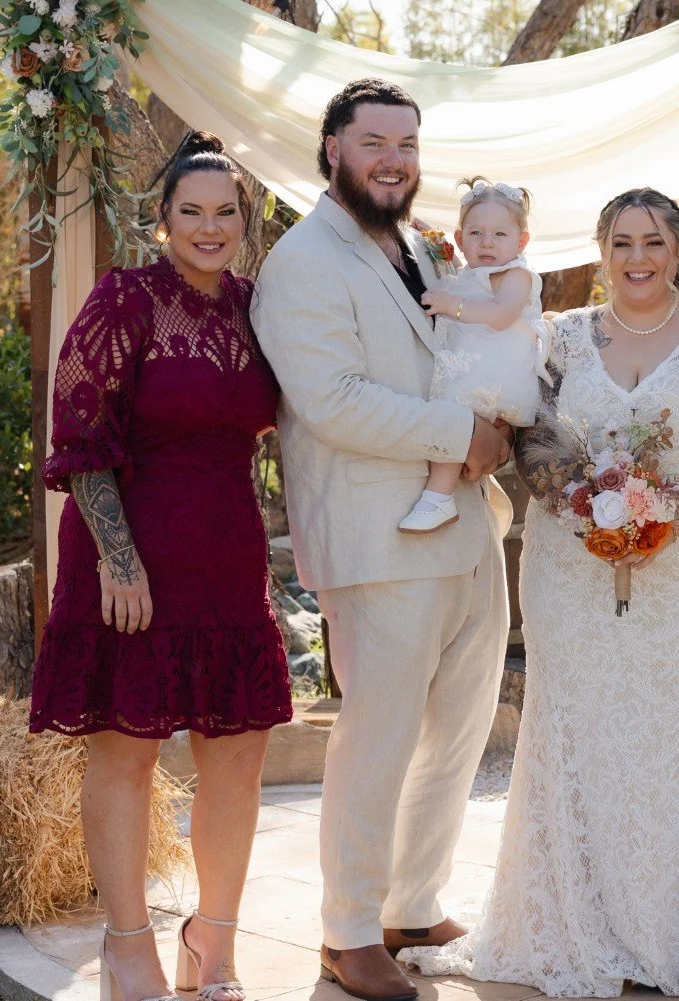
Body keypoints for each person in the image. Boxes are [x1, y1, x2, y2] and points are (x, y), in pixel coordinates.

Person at [402, 188, 679, 1001]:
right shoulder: (559, 338)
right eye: (621, 241)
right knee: (579, 733)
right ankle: (575, 926)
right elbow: (528, 432)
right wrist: (589, 513)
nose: (638, 257)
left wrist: (665, 521)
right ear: (600, 247)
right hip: (572, 566)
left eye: (654, 241)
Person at [249, 78, 514, 1001]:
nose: (393, 158)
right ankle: (347, 931)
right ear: (332, 150)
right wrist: (462, 439)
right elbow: (331, 402)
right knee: (380, 737)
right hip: (376, 534)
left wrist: (505, 418)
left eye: (406, 142)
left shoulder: (417, 246)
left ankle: (411, 901)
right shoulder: (302, 261)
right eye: (373, 142)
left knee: (459, 728)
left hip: (468, 524)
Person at [29, 131, 293, 1001]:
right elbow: (79, 432)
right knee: (128, 752)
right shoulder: (124, 300)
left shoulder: (261, 307)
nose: (209, 228)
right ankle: (128, 942)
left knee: (238, 753)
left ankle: (211, 941)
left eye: (226, 213)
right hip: (129, 556)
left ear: (246, 222)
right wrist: (119, 559)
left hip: (226, 547)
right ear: (163, 218)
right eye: (192, 211)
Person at [399, 177, 549, 534]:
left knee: (456, 407)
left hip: (498, 371)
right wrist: (429, 239)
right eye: (476, 233)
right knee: (453, 410)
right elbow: (449, 264)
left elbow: (500, 315)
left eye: (500, 235)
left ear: (521, 241)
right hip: (477, 364)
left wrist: (455, 305)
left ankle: (439, 496)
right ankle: (441, 492)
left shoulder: (515, 275)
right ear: (462, 238)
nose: (487, 243)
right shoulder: (472, 269)